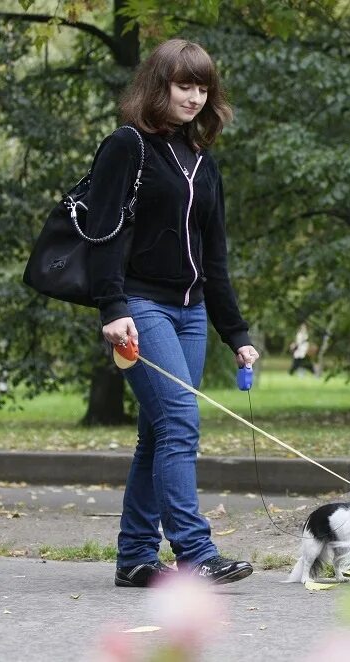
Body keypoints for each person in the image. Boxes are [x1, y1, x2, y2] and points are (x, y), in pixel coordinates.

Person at [89, 39, 259, 587]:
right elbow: (101, 232)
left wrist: (235, 332)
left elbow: (215, 258)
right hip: (139, 307)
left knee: (157, 434)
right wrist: (112, 306)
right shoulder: (127, 146)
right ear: (158, 85)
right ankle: (195, 553)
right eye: (183, 84)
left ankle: (136, 558)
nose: (193, 96)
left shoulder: (203, 162)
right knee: (181, 422)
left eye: (202, 86)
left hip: (189, 311)